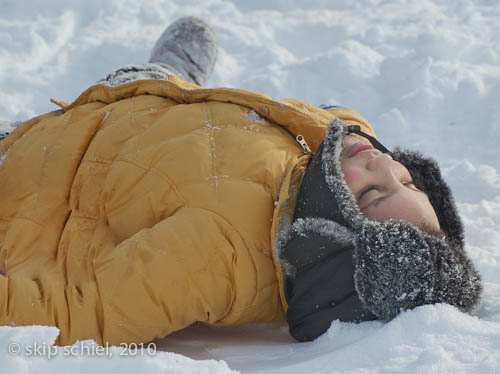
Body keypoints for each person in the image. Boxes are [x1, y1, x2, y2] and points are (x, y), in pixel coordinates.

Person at [0, 17, 481, 346]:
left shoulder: (216, 257)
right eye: (407, 178)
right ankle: (164, 73)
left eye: (373, 191)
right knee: (156, 84)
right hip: (149, 105)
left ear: (329, 237)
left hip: (35, 178)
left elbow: (76, 314)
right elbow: (347, 125)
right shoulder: (317, 164)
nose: (381, 161)